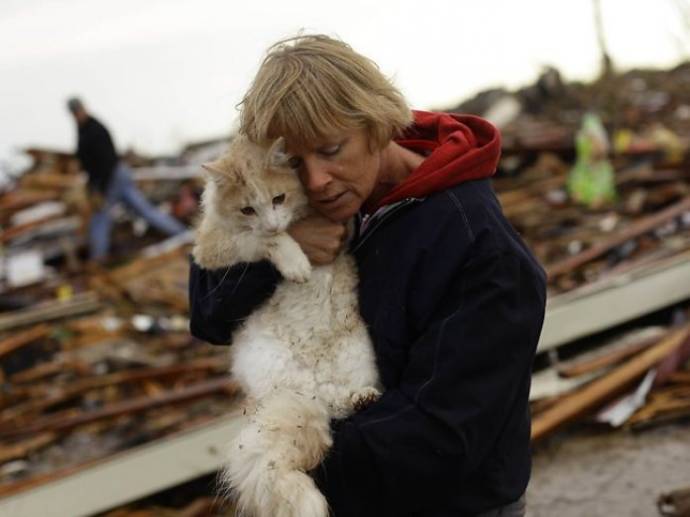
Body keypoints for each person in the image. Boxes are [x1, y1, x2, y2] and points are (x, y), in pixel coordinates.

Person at [189, 35, 546, 517]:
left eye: (331, 149)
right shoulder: (297, 208)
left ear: (376, 125)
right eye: (295, 162)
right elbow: (208, 312)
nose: (316, 181)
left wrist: (292, 465)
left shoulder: (477, 244)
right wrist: (270, 258)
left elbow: (445, 433)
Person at [67, 97, 186, 261]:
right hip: (115, 176)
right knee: (144, 210)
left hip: (112, 177)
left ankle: (97, 260)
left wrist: (99, 189)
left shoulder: (95, 129)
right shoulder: (82, 130)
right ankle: (181, 233)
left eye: (78, 110)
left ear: (83, 108)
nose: (77, 114)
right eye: (74, 112)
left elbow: (105, 161)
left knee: (100, 219)